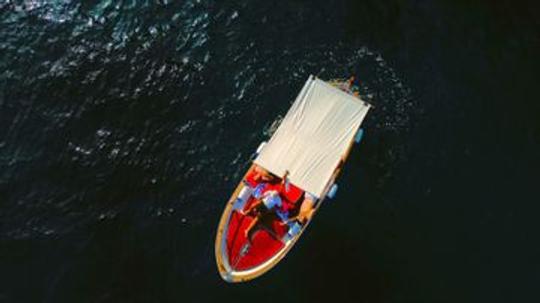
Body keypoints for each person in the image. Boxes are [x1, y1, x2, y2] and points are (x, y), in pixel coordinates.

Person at [242, 171, 290, 243]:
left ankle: (248, 231)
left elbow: (278, 206)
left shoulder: (278, 199)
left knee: (258, 217)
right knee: (254, 208)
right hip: (263, 205)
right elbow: (264, 196)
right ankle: (248, 224)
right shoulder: (272, 193)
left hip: (265, 208)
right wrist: (285, 175)